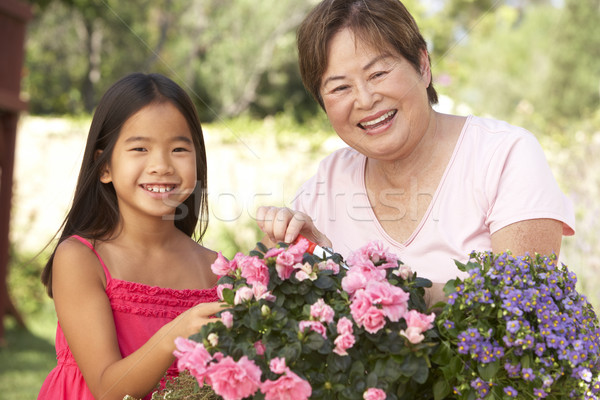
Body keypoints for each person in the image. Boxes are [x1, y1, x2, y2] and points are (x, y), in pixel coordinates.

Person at [256, 0, 575, 306]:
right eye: (340, 87)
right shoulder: (326, 183)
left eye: (378, 74)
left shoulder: (504, 155)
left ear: (423, 66)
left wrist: (362, 285)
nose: (365, 100)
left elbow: (523, 305)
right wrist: (303, 257)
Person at [38, 73, 223, 400]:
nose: (161, 165)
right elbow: (107, 388)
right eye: (140, 148)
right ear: (104, 166)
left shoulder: (214, 269)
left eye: (179, 148)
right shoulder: (82, 259)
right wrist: (173, 336)